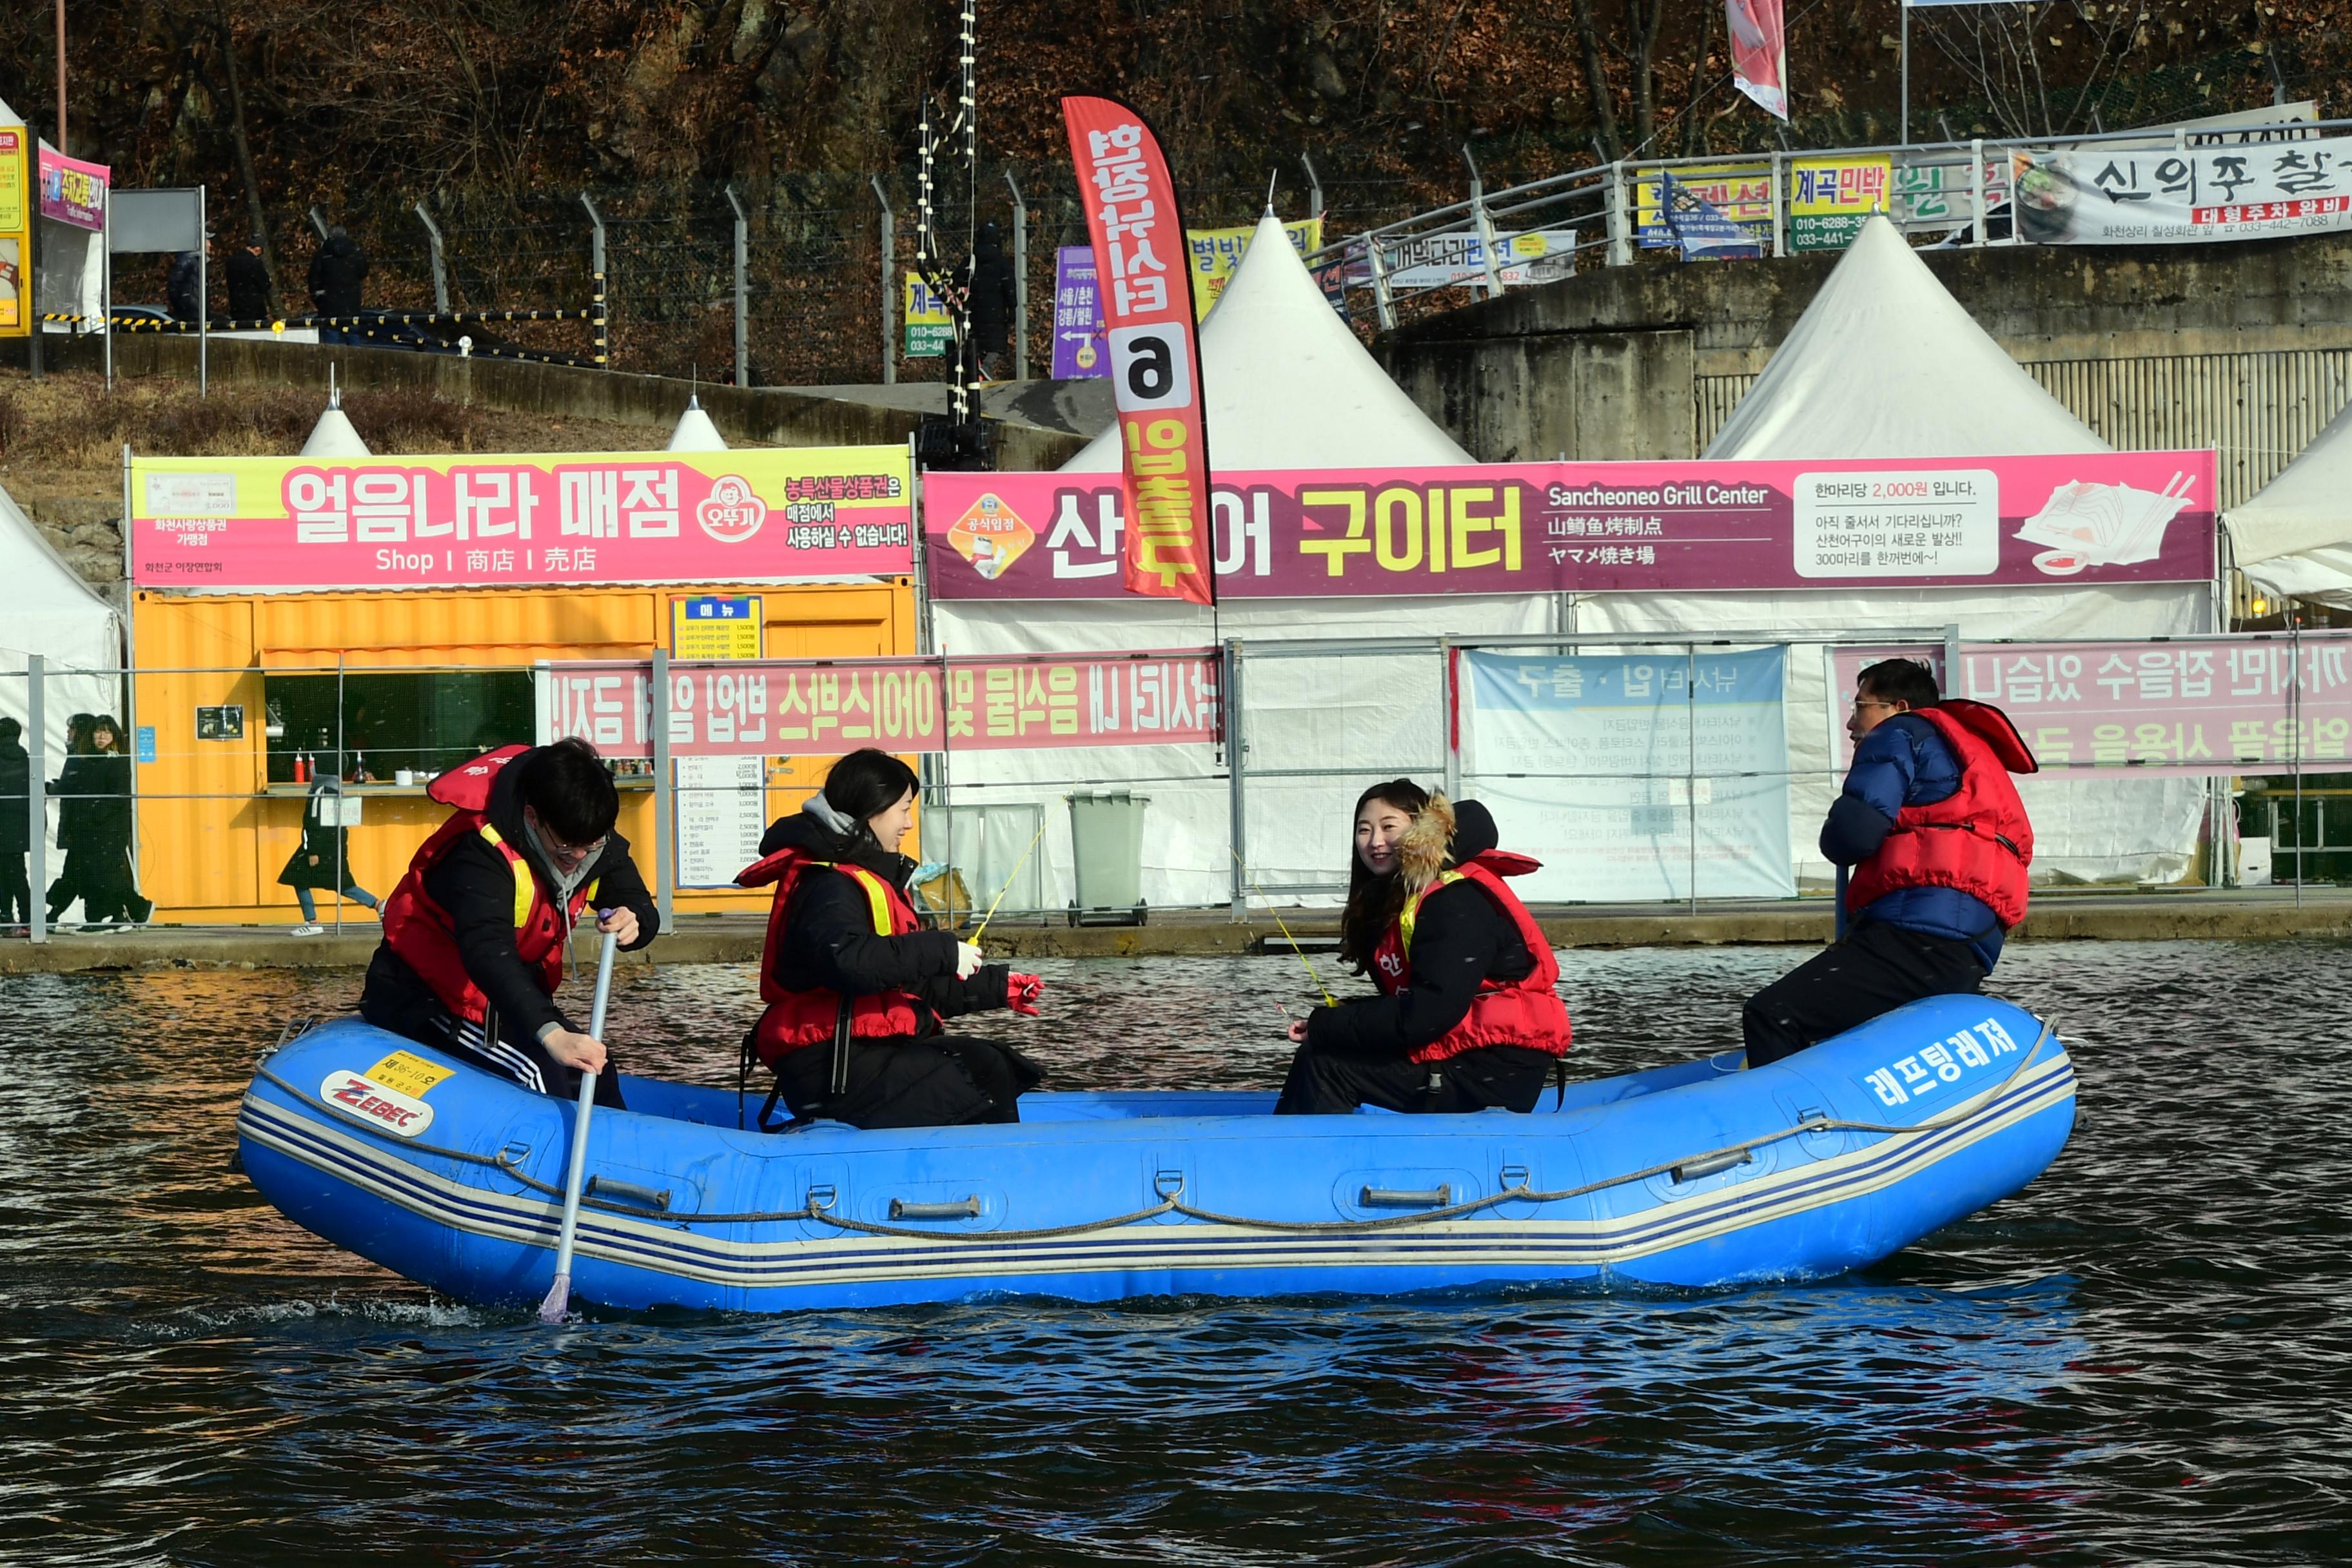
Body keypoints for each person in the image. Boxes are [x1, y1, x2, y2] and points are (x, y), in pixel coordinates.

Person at [1742, 659, 2037, 1068]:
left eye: (1860, 705)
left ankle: (1785, 1124)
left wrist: (1836, 829)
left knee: (1774, 1015)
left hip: (1915, 932)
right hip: (1972, 943)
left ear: (1897, 706)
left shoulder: (1899, 732)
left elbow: (1852, 836)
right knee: (1861, 1031)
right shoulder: (1966, 750)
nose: (1851, 722)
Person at [738, 748, 1045, 1130]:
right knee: (983, 1069)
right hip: (832, 1071)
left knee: (991, 1063)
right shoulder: (829, 885)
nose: (909, 823)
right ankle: (1001, 1172)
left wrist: (998, 987)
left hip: (856, 1060)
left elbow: (905, 985)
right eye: (903, 809)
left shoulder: (858, 878)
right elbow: (847, 960)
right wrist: (943, 951)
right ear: (873, 809)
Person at [362, 739, 657, 1107]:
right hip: (427, 998)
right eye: (567, 847)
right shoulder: (481, 853)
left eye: (591, 845)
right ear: (533, 818)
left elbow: (637, 899)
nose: (579, 857)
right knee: (538, 1073)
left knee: (599, 1069)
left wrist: (636, 919)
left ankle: (614, 1161)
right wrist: (551, 1034)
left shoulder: (592, 838)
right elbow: (487, 952)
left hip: (503, 1001)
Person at [1275, 782, 1573, 1115]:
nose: (1375, 841)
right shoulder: (1412, 896)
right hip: (1463, 1051)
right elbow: (1425, 1000)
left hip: (1495, 1069)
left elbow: (1428, 1015)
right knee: (1316, 1050)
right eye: (1364, 829)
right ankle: (1273, 1144)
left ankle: (1300, 1164)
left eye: (1389, 827)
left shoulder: (1454, 898)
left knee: (1327, 1066)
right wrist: (1335, 1020)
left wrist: (1328, 1025)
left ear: (1420, 831)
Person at [52, 715, 149, 930]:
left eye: (106, 732)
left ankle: (130, 909)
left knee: (101, 874)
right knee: (92, 875)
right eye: (98, 731)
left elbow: (117, 796)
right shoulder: (91, 758)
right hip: (90, 829)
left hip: (107, 830)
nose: (102, 736)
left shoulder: (116, 761)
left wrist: (94, 812)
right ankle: (112, 917)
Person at [279, 773, 378, 935]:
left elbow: (313, 823)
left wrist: (313, 851)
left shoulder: (320, 792)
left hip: (320, 849)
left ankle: (312, 922)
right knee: (342, 883)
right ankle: (379, 905)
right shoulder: (336, 789)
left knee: (300, 877)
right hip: (333, 847)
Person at [957, 221, 1016, 380]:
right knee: (997, 342)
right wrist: (1013, 308)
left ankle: (976, 370)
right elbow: (1010, 286)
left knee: (977, 340)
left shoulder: (972, 259)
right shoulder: (1002, 262)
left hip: (975, 307)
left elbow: (956, 279)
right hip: (996, 309)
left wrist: (969, 279)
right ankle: (987, 366)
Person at [308, 226, 369, 340]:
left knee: (331, 340)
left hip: (329, 306)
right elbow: (363, 272)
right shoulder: (355, 252)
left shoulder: (322, 254)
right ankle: (354, 357)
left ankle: (332, 358)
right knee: (354, 339)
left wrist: (320, 300)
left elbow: (314, 280)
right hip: (352, 304)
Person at [0, 717, 29, 932]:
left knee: (4, 874)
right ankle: (28, 916)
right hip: (19, 825)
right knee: (17, 873)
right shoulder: (27, 758)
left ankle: (6, 915)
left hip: (2, 823)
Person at [225, 237, 272, 323]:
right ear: (258, 249)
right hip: (254, 308)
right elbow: (265, 284)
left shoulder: (231, 261)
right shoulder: (254, 262)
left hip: (236, 307)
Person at [166, 246, 204, 324]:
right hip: (191, 311)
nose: (210, 245)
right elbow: (174, 286)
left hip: (194, 309)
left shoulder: (195, 262)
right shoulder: (187, 261)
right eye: (208, 241)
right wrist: (182, 305)